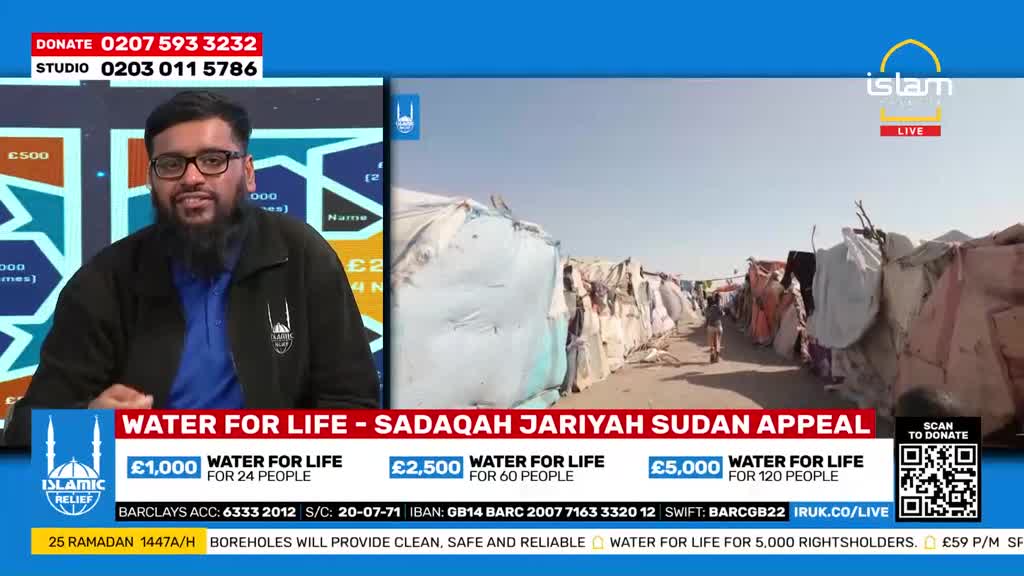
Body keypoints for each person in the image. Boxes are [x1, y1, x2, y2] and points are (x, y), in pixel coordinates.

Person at [3, 90, 379, 448]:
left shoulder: (299, 256)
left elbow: (352, 403)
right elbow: (26, 429)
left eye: (213, 160)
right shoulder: (105, 280)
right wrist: (88, 422)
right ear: (152, 179)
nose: (191, 177)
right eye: (171, 164)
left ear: (248, 173)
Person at [705, 292, 724, 363]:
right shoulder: (719, 307)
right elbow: (722, 314)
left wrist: (706, 325)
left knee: (711, 343)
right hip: (718, 326)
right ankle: (717, 355)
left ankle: (712, 354)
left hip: (710, 327)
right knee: (718, 342)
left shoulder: (707, 308)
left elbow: (707, 318)